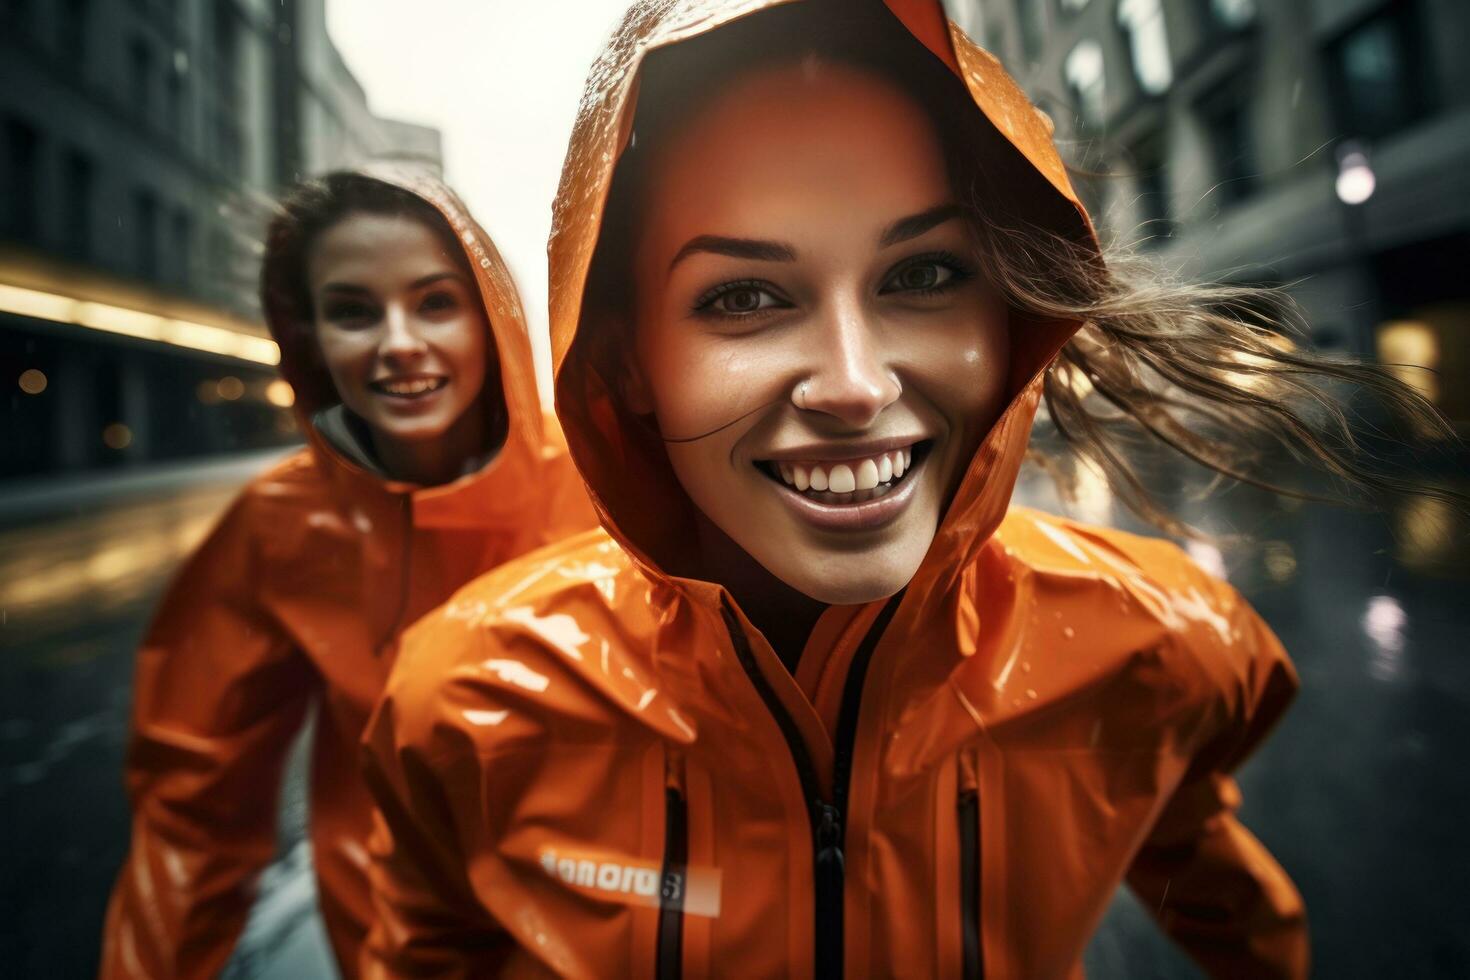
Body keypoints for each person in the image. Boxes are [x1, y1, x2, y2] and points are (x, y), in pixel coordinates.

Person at [360, 3, 1454, 977]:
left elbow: (1234, 910)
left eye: (923, 275)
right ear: (627, 363)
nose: (855, 383)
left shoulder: (1153, 650)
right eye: (744, 296)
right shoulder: (465, 706)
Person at [99, 166, 596, 980]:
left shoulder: (599, 485)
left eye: (436, 302)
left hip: (587, 947)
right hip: (375, 944)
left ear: (491, 317)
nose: (400, 342)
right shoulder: (279, 525)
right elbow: (193, 811)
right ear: (311, 341)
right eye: (354, 312)